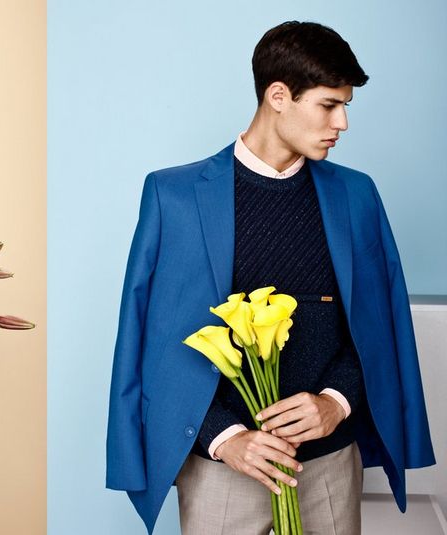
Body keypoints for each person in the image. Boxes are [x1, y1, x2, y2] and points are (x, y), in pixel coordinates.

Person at [105, 21, 435, 535]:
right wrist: (225, 438)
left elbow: (375, 327)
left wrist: (336, 402)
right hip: (222, 471)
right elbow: (157, 340)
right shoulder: (174, 195)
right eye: (329, 105)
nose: (343, 122)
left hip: (329, 464)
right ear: (278, 96)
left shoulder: (357, 196)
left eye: (346, 106)